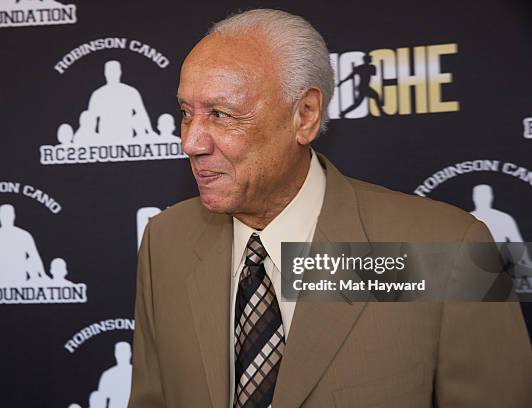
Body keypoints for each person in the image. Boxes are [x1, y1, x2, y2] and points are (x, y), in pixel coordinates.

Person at [130, 9, 532, 407]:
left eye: (222, 114)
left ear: (305, 116)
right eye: (186, 113)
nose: (192, 142)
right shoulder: (166, 240)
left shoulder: (448, 249)